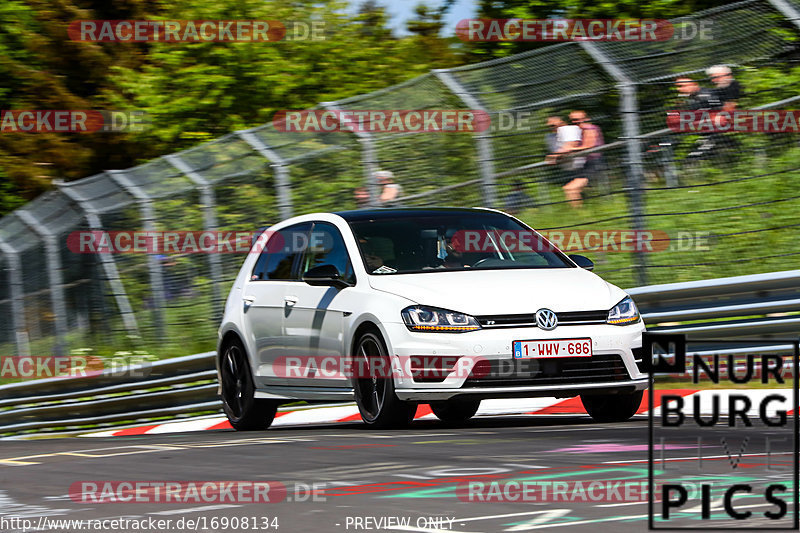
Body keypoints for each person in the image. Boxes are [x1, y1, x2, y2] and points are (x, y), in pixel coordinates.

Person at [560, 110, 604, 208]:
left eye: (578, 119)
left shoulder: (589, 129)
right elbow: (568, 146)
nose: (576, 122)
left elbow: (589, 146)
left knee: (571, 188)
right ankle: (579, 211)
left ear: (586, 119)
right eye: (573, 120)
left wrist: (571, 149)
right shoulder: (577, 132)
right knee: (569, 188)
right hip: (584, 164)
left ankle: (579, 213)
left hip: (593, 162)